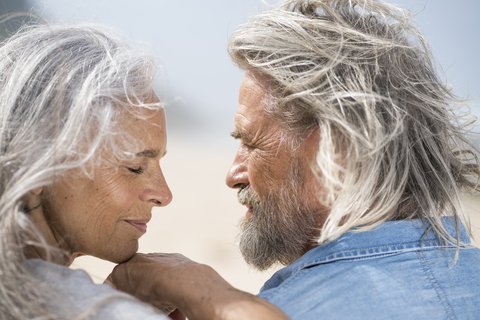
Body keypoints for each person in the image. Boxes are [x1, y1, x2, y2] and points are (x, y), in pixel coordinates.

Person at [109, 0, 480, 319]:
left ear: (336, 156)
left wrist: (202, 290)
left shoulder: (288, 309)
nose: (233, 174)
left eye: (251, 144)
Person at [0, 23, 289, 320]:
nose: (164, 195)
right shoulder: (78, 307)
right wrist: (193, 284)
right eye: (134, 167)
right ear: (38, 167)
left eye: (159, 162)